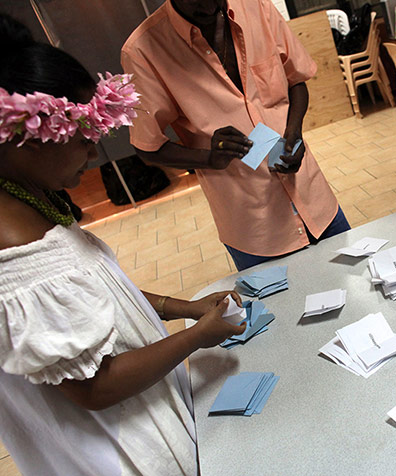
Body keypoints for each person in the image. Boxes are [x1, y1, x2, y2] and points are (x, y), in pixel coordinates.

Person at [0, 15, 246, 475]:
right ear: (25, 141)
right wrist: (199, 336)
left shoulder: (28, 195)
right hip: (118, 450)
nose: (94, 155)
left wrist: (183, 307)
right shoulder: (18, 253)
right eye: (80, 140)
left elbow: (96, 297)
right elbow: (94, 387)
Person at [121, 0, 350, 272]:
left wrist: (294, 133)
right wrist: (209, 158)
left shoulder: (257, 8)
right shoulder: (143, 50)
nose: (207, 6)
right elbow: (148, 147)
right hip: (254, 229)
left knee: (354, 281)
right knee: (287, 311)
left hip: (315, 201)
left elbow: (295, 80)